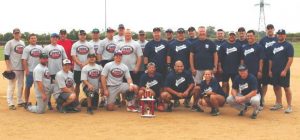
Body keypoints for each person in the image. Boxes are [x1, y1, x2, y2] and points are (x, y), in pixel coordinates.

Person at [269, 29, 294, 113]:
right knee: (276, 86)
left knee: (286, 87)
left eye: (282, 34)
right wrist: (270, 70)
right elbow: (271, 60)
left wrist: (285, 70)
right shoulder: (274, 45)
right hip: (274, 70)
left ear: (285, 35)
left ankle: (289, 106)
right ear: (277, 35)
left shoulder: (288, 45)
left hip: (283, 70)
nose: (280, 35)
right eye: (279, 34)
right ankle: (279, 103)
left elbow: (290, 59)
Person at [167, 28, 192, 107]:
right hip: (175, 68)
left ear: (184, 33)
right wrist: (168, 65)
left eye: (182, 33)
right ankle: (176, 100)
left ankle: (187, 100)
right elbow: (169, 55)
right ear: (177, 34)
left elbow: (191, 56)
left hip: (186, 67)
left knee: (188, 83)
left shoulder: (189, 43)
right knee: (176, 83)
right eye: (179, 33)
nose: (180, 34)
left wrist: (191, 66)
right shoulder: (172, 44)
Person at [241, 30, 264, 110]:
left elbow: (261, 59)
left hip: (255, 70)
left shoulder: (259, 47)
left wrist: (260, 70)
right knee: (247, 86)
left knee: (257, 87)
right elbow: (242, 59)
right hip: (246, 71)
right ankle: (248, 101)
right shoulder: (244, 47)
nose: (249, 37)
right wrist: (242, 69)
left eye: (251, 35)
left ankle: (260, 103)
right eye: (248, 36)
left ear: (254, 36)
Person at [44, 33, 68, 110]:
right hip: (49, 71)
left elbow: (65, 59)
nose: (54, 39)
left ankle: (59, 102)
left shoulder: (61, 47)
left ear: (58, 39)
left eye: (56, 37)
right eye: (53, 37)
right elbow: (43, 60)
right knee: (49, 88)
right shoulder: (47, 48)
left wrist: (65, 69)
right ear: (50, 38)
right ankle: (48, 102)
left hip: (59, 72)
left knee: (59, 88)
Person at [4, 28, 26, 110]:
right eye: (15, 33)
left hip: (21, 68)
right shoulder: (9, 43)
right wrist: (8, 67)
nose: (17, 34)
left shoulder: (23, 42)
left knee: (21, 85)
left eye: (18, 33)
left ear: (20, 34)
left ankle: (19, 101)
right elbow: (6, 56)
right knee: (11, 85)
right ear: (13, 34)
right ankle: (10, 103)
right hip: (13, 68)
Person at [71, 30, 95, 101]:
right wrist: (80, 64)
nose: (82, 36)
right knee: (77, 85)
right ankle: (76, 100)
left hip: (88, 68)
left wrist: (84, 64)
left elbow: (92, 56)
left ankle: (90, 101)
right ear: (78, 36)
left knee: (89, 84)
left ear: (85, 36)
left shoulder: (89, 44)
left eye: (84, 34)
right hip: (77, 68)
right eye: (81, 35)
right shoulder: (75, 45)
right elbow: (73, 56)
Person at [258, 24, 278, 108]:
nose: (269, 30)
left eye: (271, 28)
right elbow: (260, 51)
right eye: (268, 29)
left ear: (274, 29)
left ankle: (278, 101)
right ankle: (262, 99)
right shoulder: (263, 40)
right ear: (266, 30)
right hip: (266, 64)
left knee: (276, 84)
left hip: (276, 64)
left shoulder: (277, 39)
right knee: (264, 83)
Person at [22, 33, 43, 108]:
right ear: (29, 40)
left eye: (34, 38)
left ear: (36, 39)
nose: (33, 39)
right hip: (30, 71)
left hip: (39, 71)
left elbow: (43, 58)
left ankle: (39, 101)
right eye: (32, 38)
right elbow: (24, 60)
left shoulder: (40, 48)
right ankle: (26, 101)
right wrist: (26, 70)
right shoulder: (27, 48)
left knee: (39, 87)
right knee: (28, 86)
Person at [218, 32, 242, 96]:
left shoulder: (239, 45)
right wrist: (220, 67)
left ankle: (235, 97)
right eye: (230, 35)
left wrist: (241, 68)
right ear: (228, 36)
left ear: (235, 36)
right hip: (225, 68)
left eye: (233, 35)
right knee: (224, 84)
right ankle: (224, 97)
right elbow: (219, 58)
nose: (232, 36)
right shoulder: (223, 45)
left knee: (236, 84)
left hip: (236, 69)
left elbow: (241, 58)